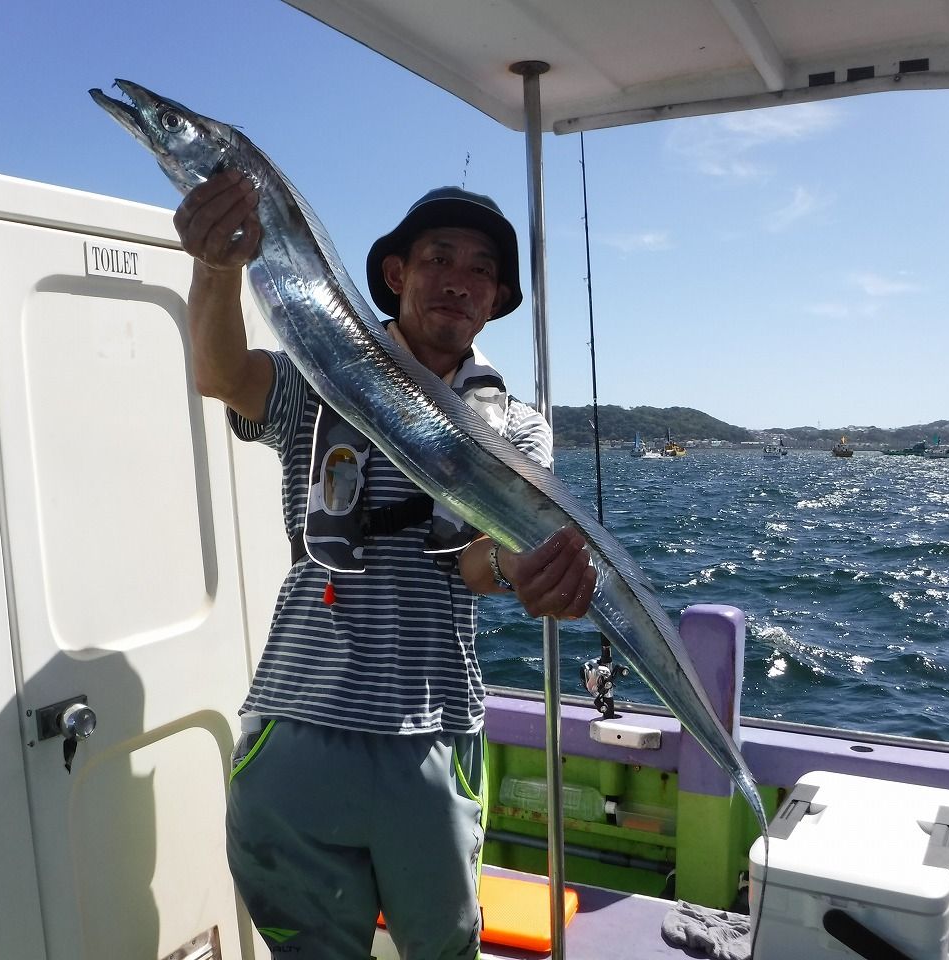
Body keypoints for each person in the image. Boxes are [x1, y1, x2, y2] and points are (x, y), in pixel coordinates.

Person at [174, 170, 596, 960]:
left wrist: (526, 571)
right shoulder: (318, 372)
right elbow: (221, 373)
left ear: (495, 300)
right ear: (397, 274)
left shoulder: (518, 431)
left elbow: (479, 564)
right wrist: (215, 268)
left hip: (431, 735)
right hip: (298, 728)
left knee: (442, 948)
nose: (460, 281)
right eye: (440, 258)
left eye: (481, 270)